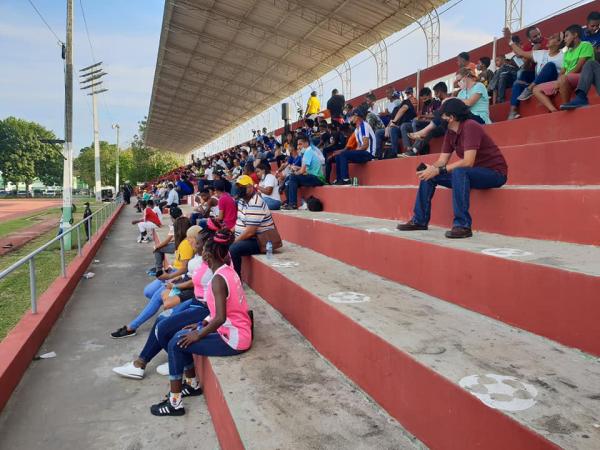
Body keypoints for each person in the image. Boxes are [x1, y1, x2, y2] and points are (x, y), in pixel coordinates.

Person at [150, 228, 252, 417]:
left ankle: (175, 403)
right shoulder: (227, 270)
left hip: (234, 338)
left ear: (208, 254)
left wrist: (198, 333)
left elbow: (221, 317)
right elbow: (217, 313)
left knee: (176, 343)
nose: (200, 251)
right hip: (234, 330)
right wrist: (202, 323)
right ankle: (192, 385)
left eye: (204, 249)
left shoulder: (218, 280)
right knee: (179, 336)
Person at [112, 224, 219, 380]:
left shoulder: (211, 265)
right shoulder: (203, 261)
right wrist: (173, 281)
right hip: (197, 302)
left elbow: (198, 286)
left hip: (202, 307)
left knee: (163, 324)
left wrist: (175, 286)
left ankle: (160, 362)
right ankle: (140, 363)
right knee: (162, 318)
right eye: (194, 240)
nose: (193, 244)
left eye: (197, 241)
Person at [397, 99, 508, 239]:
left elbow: (468, 161)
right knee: (430, 174)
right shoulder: (450, 132)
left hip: (494, 173)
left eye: (442, 116)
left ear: (451, 118)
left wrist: (440, 170)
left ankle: (463, 225)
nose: (439, 119)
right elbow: (442, 160)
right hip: (472, 173)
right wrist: (431, 169)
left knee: (459, 171)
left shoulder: (470, 126)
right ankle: (419, 220)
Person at [111, 220, 195, 339]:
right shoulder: (182, 242)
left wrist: (170, 277)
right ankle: (163, 305)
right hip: (173, 272)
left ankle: (131, 327)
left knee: (157, 295)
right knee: (148, 291)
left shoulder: (186, 244)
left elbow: (184, 268)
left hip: (177, 275)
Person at [533, 24, 595, 113]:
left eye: (567, 36)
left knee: (563, 78)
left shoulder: (585, 45)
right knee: (536, 89)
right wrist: (559, 81)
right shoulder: (568, 52)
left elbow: (579, 67)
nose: (564, 39)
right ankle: (553, 110)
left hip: (582, 77)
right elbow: (563, 70)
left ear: (575, 35)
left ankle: (567, 106)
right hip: (566, 79)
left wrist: (562, 79)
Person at [504, 31, 564, 119]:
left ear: (559, 42)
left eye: (553, 37)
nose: (549, 38)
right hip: (538, 82)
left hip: (551, 82)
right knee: (519, 81)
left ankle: (529, 89)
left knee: (550, 65)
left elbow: (565, 72)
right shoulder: (542, 53)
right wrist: (510, 41)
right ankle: (513, 111)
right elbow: (521, 53)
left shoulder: (563, 56)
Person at [333, 108, 376, 185]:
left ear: (356, 116)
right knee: (338, 156)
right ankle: (340, 179)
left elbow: (365, 145)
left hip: (369, 154)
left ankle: (346, 179)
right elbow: (359, 145)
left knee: (343, 154)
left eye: (351, 116)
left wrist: (354, 152)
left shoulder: (364, 126)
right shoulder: (357, 129)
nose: (350, 118)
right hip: (363, 152)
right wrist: (354, 152)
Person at [283, 133, 326, 208]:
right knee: (290, 181)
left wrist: (296, 172)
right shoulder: (307, 152)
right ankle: (289, 202)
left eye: (300, 144)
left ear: (306, 143)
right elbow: (305, 169)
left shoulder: (308, 152)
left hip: (318, 178)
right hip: (312, 176)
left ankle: (292, 204)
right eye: (298, 145)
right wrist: (297, 168)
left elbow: (302, 171)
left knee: (292, 177)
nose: (298, 147)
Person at [399, 87, 441, 157]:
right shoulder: (425, 106)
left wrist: (422, 116)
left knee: (416, 122)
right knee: (404, 126)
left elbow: (436, 116)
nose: (424, 101)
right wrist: (421, 118)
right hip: (422, 124)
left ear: (430, 95)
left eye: (425, 99)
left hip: (431, 125)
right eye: (422, 100)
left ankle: (416, 148)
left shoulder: (437, 103)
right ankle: (408, 149)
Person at [375, 90, 416, 159]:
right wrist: (387, 127)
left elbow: (403, 109)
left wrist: (393, 123)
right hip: (397, 128)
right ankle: (378, 155)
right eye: (395, 99)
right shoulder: (395, 109)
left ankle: (394, 153)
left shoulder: (406, 102)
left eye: (397, 98)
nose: (396, 100)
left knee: (393, 128)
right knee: (378, 132)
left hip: (407, 127)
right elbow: (391, 120)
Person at [149, 206, 184, 277]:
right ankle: (159, 268)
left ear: (172, 217)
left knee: (158, 250)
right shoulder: (185, 220)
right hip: (182, 244)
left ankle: (158, 270)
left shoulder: (175, 224)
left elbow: (166, 241)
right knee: (161, 247)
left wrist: (157, 247)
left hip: (178, 246)